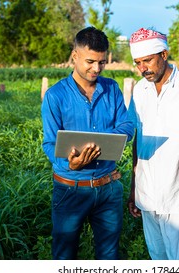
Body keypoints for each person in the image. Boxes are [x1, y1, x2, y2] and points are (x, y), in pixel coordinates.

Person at [41, 26, 134, 260]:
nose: (96, 69)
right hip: (70, 188)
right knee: (64, 256)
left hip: (108, 188)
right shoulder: (55, 96)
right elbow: (50, 143)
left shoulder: (111, 88)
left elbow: (126, 125)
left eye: (102, 63)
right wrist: (69, 163)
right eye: (90, 61)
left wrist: (112, 139)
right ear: (75, 56)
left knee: (110, 255)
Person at [127, 28, 179, 260]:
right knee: (158, 258)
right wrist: (134, 187)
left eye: (148, 60)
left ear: (164, 55)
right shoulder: (139, 90)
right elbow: (138, 139)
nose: (143, 68)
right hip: (147, 194)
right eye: (137, 63)